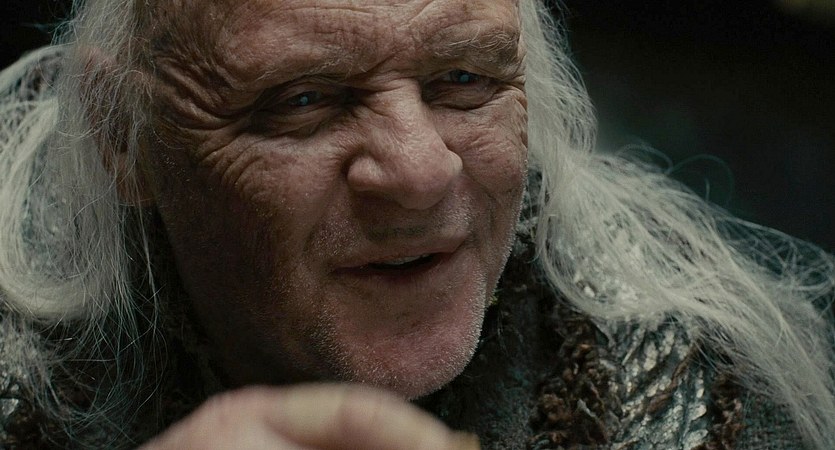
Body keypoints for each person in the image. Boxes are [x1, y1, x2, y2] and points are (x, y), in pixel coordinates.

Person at [1, 0, 833, 448]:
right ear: (123, 137)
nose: (421, 171)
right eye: (304, 100)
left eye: (463, 79)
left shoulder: (707, 394)